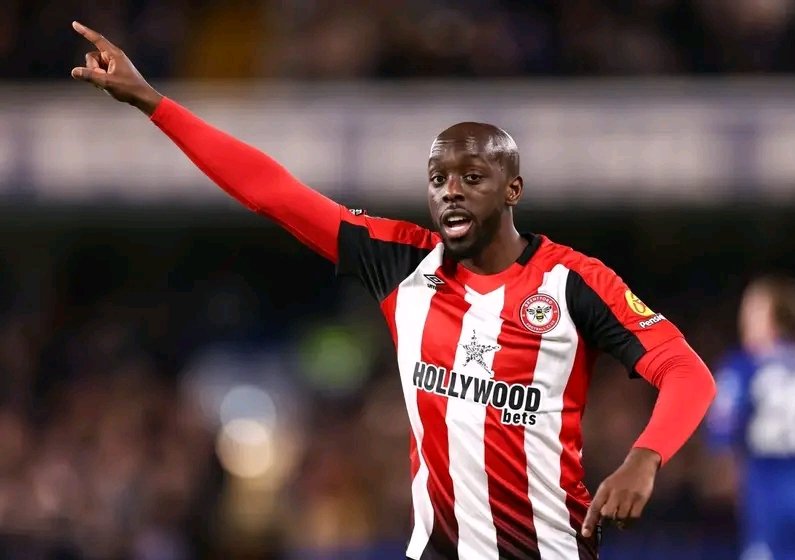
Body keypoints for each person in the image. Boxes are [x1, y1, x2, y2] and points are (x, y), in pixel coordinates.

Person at [69, 21, 716, 560]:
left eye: (472, 177)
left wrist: (645, 458)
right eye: (438, 179)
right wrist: (153, 102)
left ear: (512, 190)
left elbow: (687, 373)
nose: (451, 191)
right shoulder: (400, 262)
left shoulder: (573, 282)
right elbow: (270, 190)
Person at [706, 276, 795, 560]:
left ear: (774, 317)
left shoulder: (744, 365)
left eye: (752, 310)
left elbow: (722, 428)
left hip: (766, 487)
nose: (743, 319)